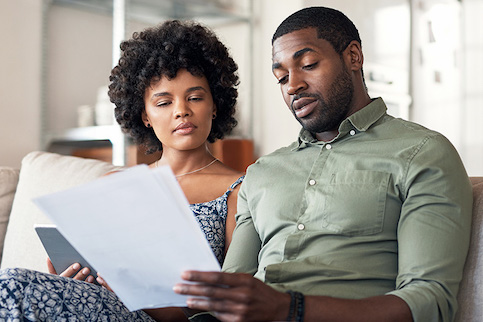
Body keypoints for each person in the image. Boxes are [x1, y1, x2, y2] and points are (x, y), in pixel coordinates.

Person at [173, 7, 473, 322]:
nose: (292, 86)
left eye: (308, 65)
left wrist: (290, 309)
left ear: (353, 56)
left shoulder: (422, 153)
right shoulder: (262, 172)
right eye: (282, 77)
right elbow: (230, 290)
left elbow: (430, 302)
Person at [0, 20, 244, 321]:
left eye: (195, 97)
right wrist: (71, 279)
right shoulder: (117, 183)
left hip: (163, 318)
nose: (182, 110)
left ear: (215, 104)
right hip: (99, 306)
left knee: (11, 286)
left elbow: (224, 308)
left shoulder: (238, 190)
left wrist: (134, 296)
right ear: (145, 116)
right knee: (15, 285)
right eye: (164, 102)